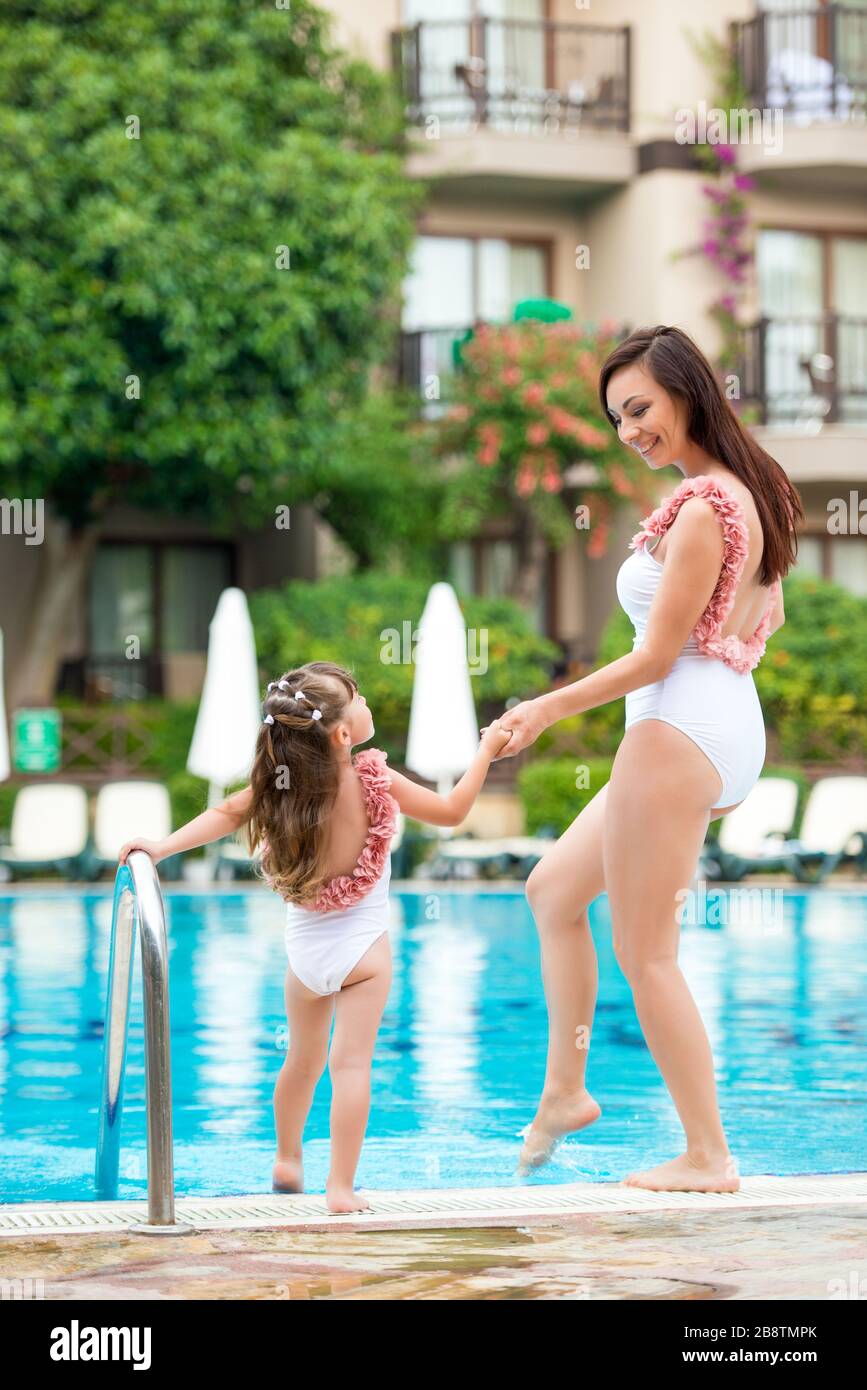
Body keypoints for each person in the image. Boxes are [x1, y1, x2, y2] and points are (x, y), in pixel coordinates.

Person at [486, 325, 804, 1193]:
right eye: (616, 418)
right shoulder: (747, 486)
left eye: (640, 409)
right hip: (708, 723)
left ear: (686, 391)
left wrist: (542, 709)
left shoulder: (704, 508)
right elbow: (758, 612)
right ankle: (563, 1092)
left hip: (678, 728)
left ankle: (707, 1155)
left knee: (646, 952)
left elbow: (657, 656)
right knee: (552, 890)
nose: (630, 430)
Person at [118, 660, 511, 1214]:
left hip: (305, 958)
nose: (370, 706)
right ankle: (341, 1188)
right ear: (344, 733)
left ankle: (287, 1158)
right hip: (365, 955)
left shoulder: (280, 789)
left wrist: (157, 848)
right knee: (350, 1067)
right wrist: (487, 751)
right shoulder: (373, 777)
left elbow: (224, 815)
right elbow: (452, 811)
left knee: (300, 1062)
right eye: (362, 700)